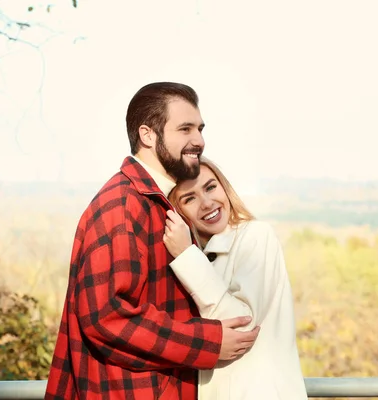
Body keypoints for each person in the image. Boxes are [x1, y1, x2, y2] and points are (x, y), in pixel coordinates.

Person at [45, 82, 260, 400]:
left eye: (200, 129)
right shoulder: (121, 206)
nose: (198, 141)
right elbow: (106, 318)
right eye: (185, 129)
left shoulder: (158, 202)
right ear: (147, 135)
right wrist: (208, 343)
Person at [163, 157, 308, 400]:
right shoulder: (193, 258)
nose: (207, 203)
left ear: (224, 187)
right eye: (190, 198)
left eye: (210, 187)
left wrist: (186, 256)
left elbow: (242, 325)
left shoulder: (256, 236)